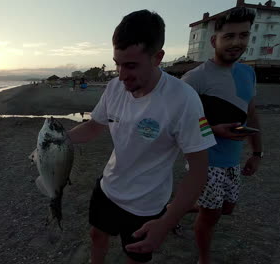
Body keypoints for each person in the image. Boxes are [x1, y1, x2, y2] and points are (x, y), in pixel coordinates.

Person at [67, 10, 216, 264]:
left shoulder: (183, 99)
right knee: (96, 234)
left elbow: (199, 170)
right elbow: (93, 127)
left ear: (157, 58)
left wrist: (166, 222)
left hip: (146, 203)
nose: (122, 74)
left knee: (134, 257)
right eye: (117, 64)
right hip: (108, 187)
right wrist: (57, 140)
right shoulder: (115, 88)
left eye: (131, 65)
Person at [181, 7, 263, 264]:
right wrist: (213, 130)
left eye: (243, 35)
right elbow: (178, 124)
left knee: (226, 209)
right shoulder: (194, 79)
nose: (237, 42)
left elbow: (251, 113)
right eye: (229, 36)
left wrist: (257, 152)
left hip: (233, 160)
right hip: (206, 160)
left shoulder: (248, 73)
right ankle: (204, 259)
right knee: (210, 217)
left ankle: (181, 208)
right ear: (214, 40)